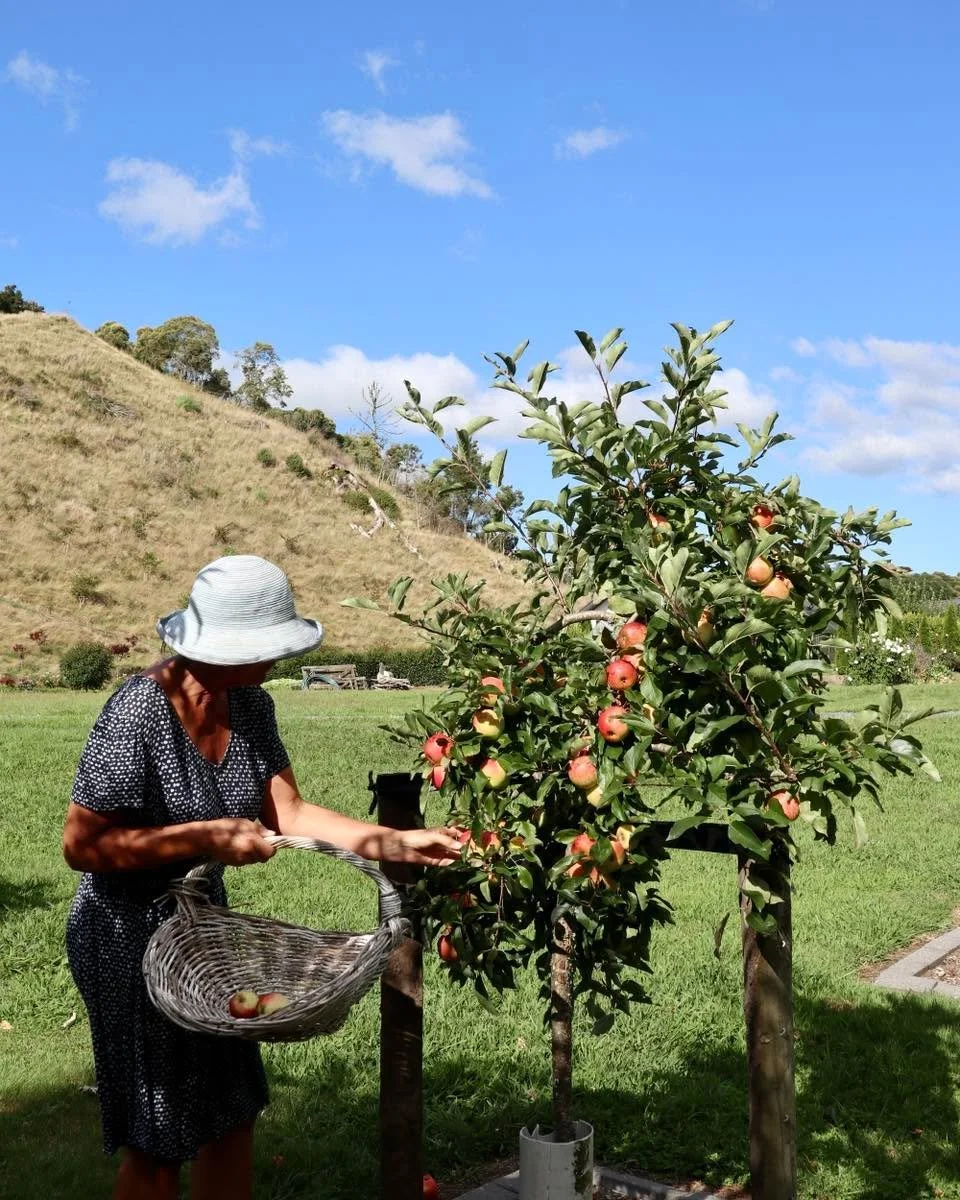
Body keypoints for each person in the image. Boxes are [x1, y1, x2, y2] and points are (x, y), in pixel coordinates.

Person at [62, 555, 460, 1200]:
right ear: (223, 648)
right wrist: (201, 836)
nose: (279, 661)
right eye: (268, 648)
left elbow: (292, 813)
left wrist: (398, 841)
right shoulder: (135, 712)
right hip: (123, 937)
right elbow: (82, 845)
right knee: (158, 1137)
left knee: (232, 1113)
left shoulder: (249, 705)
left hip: (201, 938)